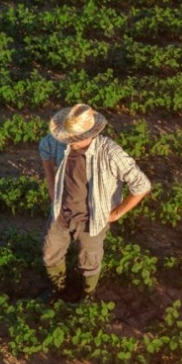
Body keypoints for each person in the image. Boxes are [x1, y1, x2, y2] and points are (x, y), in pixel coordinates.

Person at [39, 104, 151, 301]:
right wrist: (50, 183)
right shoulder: (59, 142)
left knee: (89, 260)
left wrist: (116, 213)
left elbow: (141, 184)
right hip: (61, 212)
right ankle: (59, 288)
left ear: (90, 133)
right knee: (50, 251)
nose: (68, 141)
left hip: (93, 219)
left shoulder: (110, 153)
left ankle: (87, 295)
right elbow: (44, 148)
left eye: (73, 138)